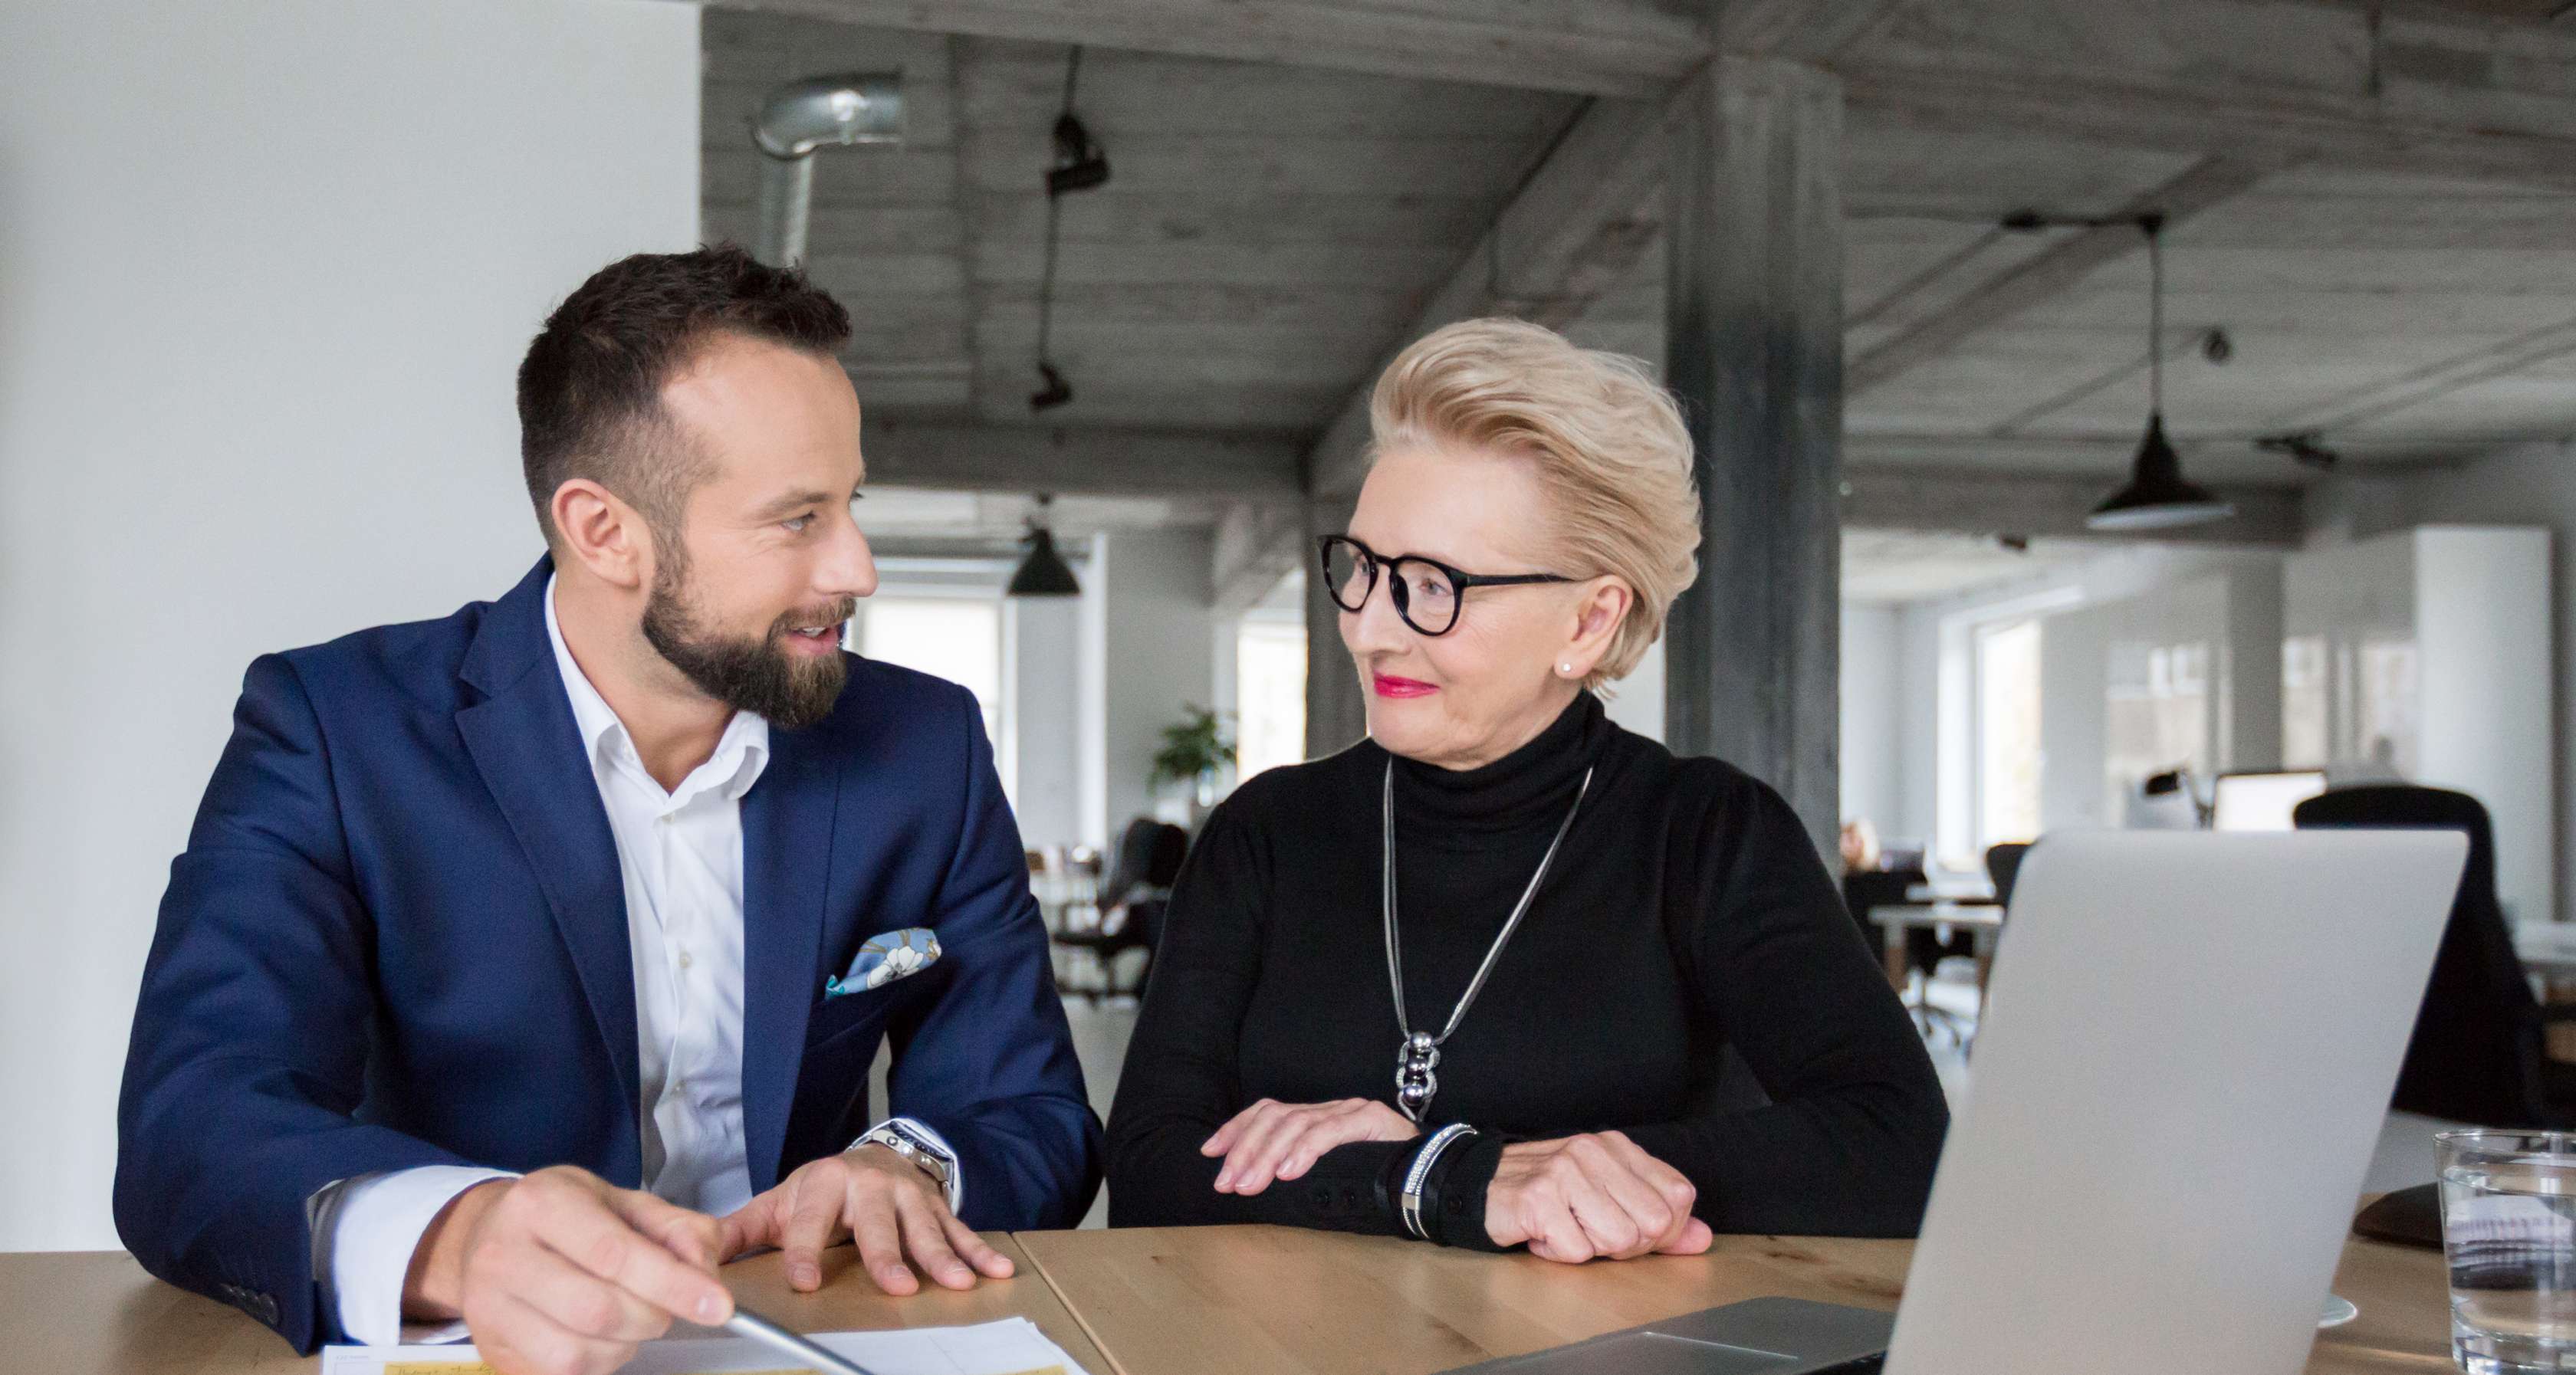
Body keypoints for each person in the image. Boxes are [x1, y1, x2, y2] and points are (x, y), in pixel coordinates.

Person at [114, 247, 1099, 1371]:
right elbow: (193, 1126)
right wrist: (460, 1239)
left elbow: (1030, 1108)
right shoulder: (335, 731)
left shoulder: (926, 746)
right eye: (798, 519)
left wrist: (907, 1164)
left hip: (830, 1332)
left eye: (850, 505)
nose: (859, 567)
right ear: (602, 531)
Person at [1106, 318, 1946, 1261]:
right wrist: (1439, 1180)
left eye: (1434, 586)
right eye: (1365, 569)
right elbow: (1146, 1171)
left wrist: (1473, 1167)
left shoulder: (1704, 833)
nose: (1372, 629)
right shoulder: (1266, 831)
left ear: (1588, 622)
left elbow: (1899, 1149)